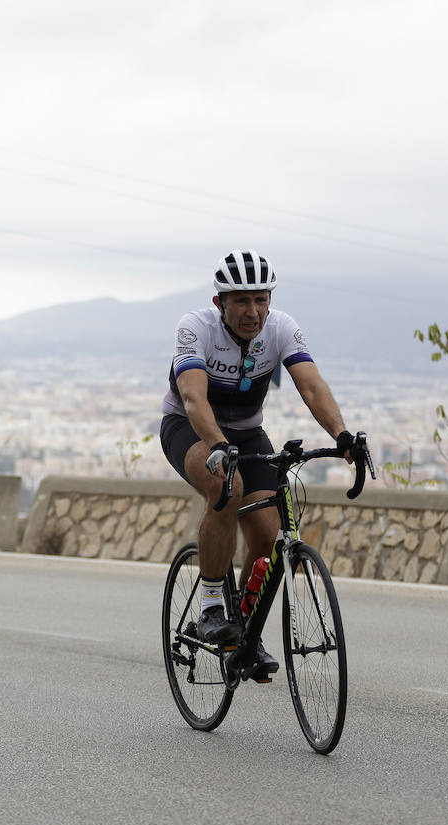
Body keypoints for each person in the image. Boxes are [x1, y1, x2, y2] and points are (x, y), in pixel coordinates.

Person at [160, 250, 353, 679]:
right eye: (242, 302)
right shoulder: (196, 329)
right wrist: (216, 444)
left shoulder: (281, 328)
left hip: (247, 432)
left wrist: (341, 435)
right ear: (220, 304)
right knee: (224, 488)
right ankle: (211, 607)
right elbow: (193, 397)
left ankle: (243, 634)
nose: (254, 312)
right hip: (189, 427)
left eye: (261, 300)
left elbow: (312, 386)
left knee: (268, 535)